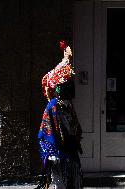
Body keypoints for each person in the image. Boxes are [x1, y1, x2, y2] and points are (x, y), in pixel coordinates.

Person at [37, 40, 83, 189]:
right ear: (59, 89)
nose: (71, 89)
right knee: (59, 183)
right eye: (67, 86)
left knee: (72, 182)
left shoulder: (68, 105)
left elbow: (74, 127)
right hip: (57, 151)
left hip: (69, 150)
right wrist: (52, 154)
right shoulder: (53, 106)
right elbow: (46, 132)